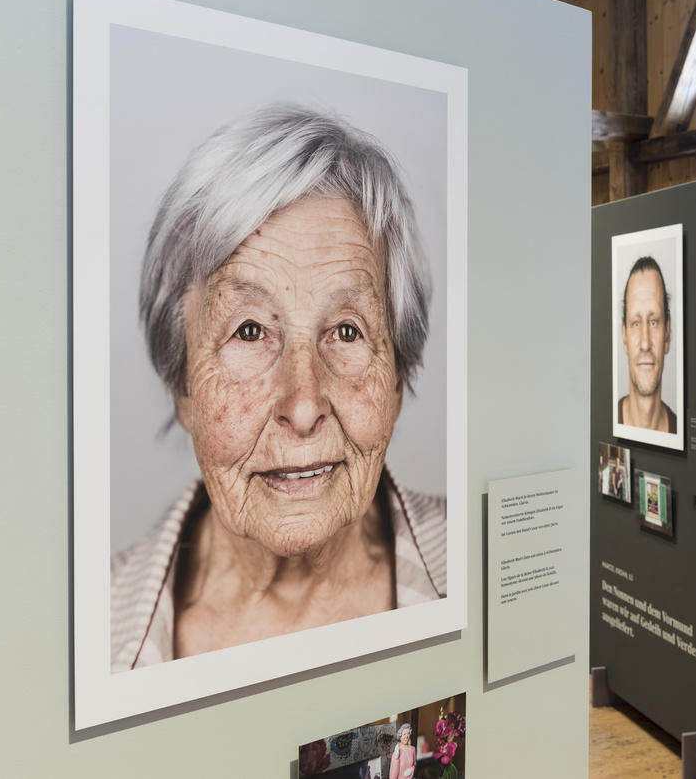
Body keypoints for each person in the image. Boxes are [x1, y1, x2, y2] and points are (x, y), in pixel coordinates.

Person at [111, 104, 447, 671]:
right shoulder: (89, 633)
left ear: (398, 375)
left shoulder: (482, 570)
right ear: (181, 384)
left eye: (347, 331)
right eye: (248, 331)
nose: (304, 404)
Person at [617, 256, 677, 434]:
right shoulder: (603, 424)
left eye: (653, 322)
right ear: (624, 337)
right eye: (636, 323)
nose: (645, 343)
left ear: (667, 333)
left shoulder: (682, 434)